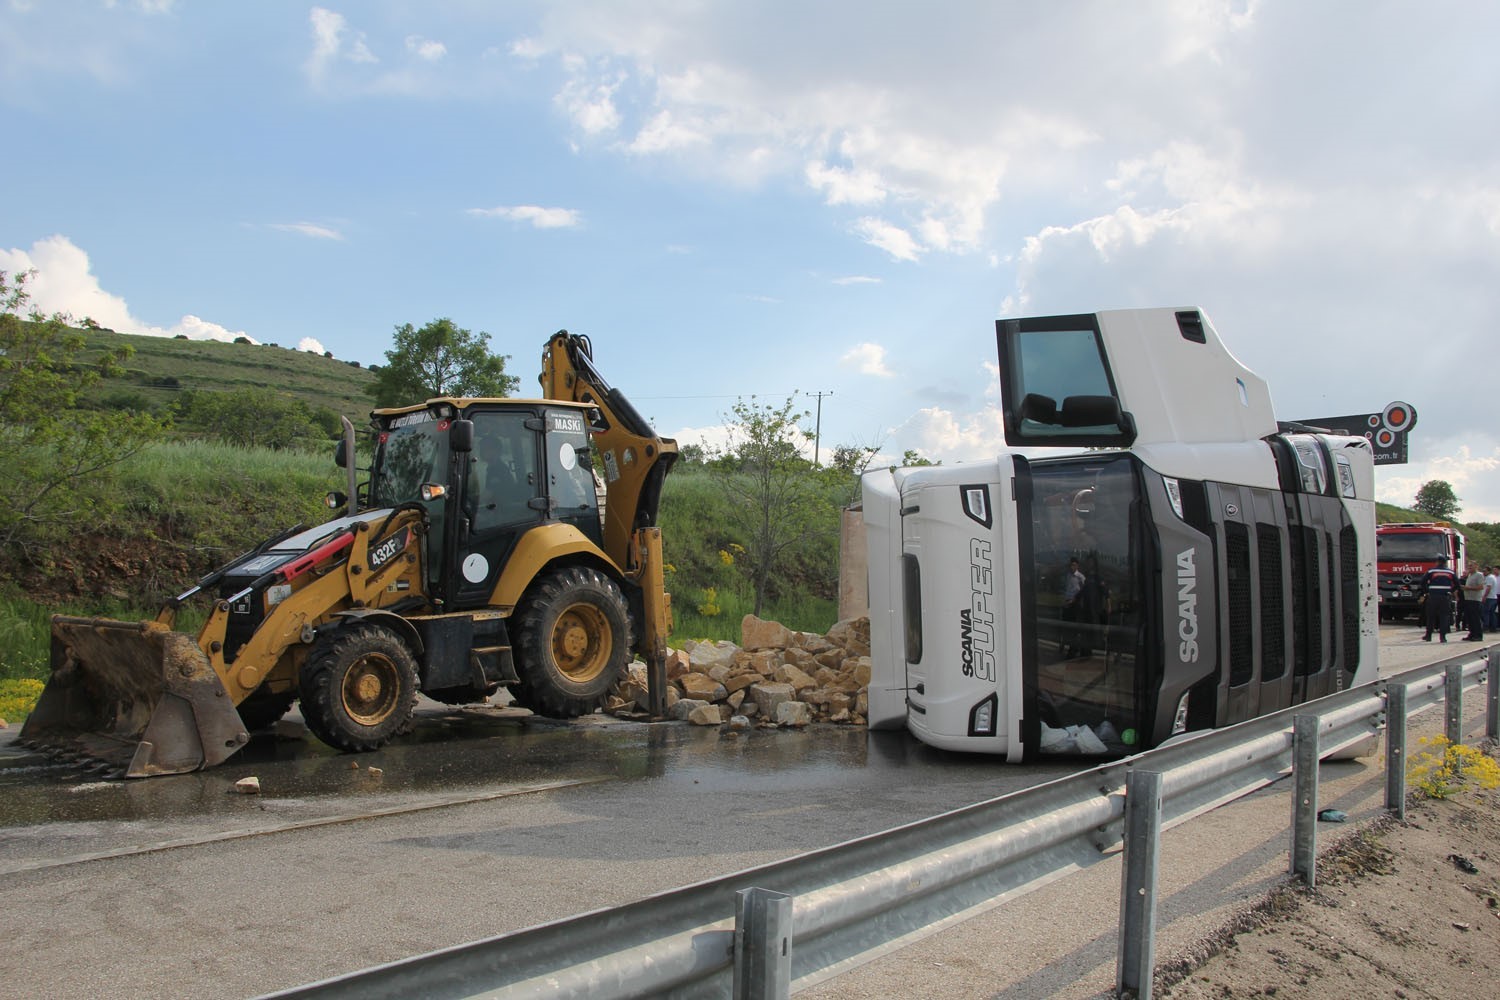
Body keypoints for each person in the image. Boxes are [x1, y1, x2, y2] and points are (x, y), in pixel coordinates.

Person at [1420, 555, 1458, 643]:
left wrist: (1427, 591)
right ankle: (1443, 637)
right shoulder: (1450, 572)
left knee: (1430, 616)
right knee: (1444, 617)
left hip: (1433, 596)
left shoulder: (1432, 571)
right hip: (1445, 597)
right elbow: (1457, 584)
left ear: (1437, 562)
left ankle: (1428, 636)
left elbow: (1422, 582)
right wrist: (1450, 591)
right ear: (1445, 563)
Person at [1060, 557, 1086, 658]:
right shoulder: (1068, 576)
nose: (1072, 567)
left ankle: (1073, 650)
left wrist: (1075, 600)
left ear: (1077, 565)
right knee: (1067, 627)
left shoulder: (1081, 577)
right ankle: (1069, 647)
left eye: (1074, 565)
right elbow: (1068, 589)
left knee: (1074, 628)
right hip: (1067, 602)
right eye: (1071, 565)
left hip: (1075, 604)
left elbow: (1083, 591)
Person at [1460, 563, 1486, 641]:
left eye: (1471, 566)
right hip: (1468, 599)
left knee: (1475, 619)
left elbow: (1481, 587)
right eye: (1469, 566)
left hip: (1475, 600)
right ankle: (1472, 634)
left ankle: (1478, 635)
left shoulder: (1479, 575)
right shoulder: (1470, 575)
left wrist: (1468, 588)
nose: (1469, 567)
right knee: (1469, 618)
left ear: (1476, 566)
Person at [1485, 565, 1499, 631]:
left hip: (1491, 597)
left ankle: (1488, 626)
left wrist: (1484, 596)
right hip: (1494, 596)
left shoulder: (1490, 578)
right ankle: (1493, 626)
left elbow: (1489, 587)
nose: (1483, 572)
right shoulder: (1494, 577)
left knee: (1487, 612)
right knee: (1492, 612)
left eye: (1485, 571)